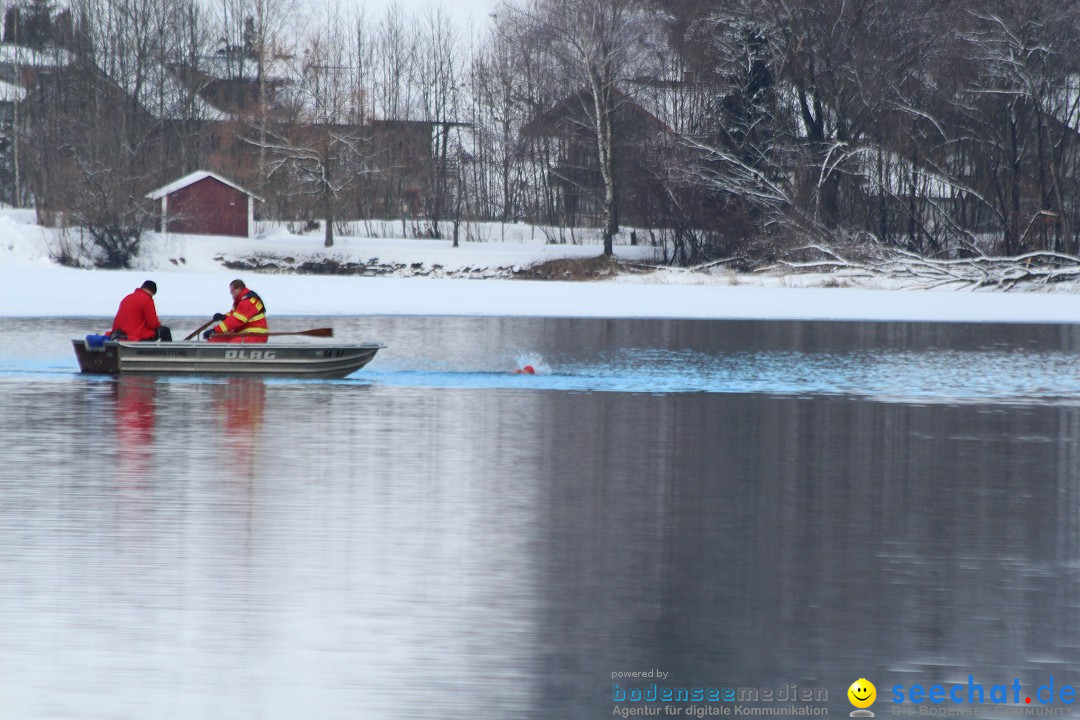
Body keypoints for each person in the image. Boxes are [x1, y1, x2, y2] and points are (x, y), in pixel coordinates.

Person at [204, 278, 269, 343]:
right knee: (216, 339)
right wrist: (223, 317)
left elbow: (235, 320)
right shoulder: (240, 301)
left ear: (239, 289)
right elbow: (233, 315)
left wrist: (215, 330)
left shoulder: (248, 302)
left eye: (232, 290)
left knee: (233, 343)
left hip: (256, 335)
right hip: (244, 334)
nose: (231, 293)